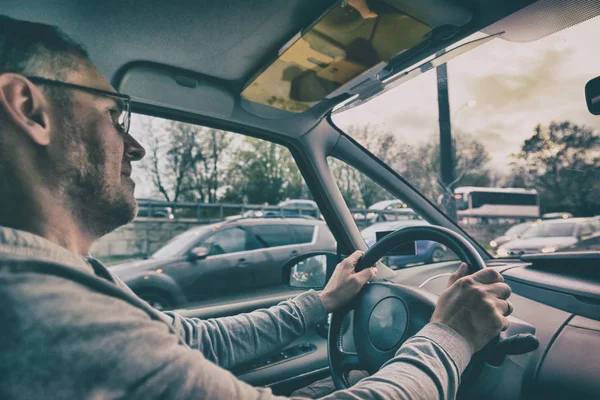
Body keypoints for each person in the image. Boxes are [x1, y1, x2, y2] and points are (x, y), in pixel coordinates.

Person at [0, 15, 513, 399]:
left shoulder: (66, 280)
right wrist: (451, 335)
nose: (134, 147)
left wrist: (320, 303)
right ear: (29, 108)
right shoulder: (43, 313)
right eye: (114, 116)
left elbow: (192, 340)